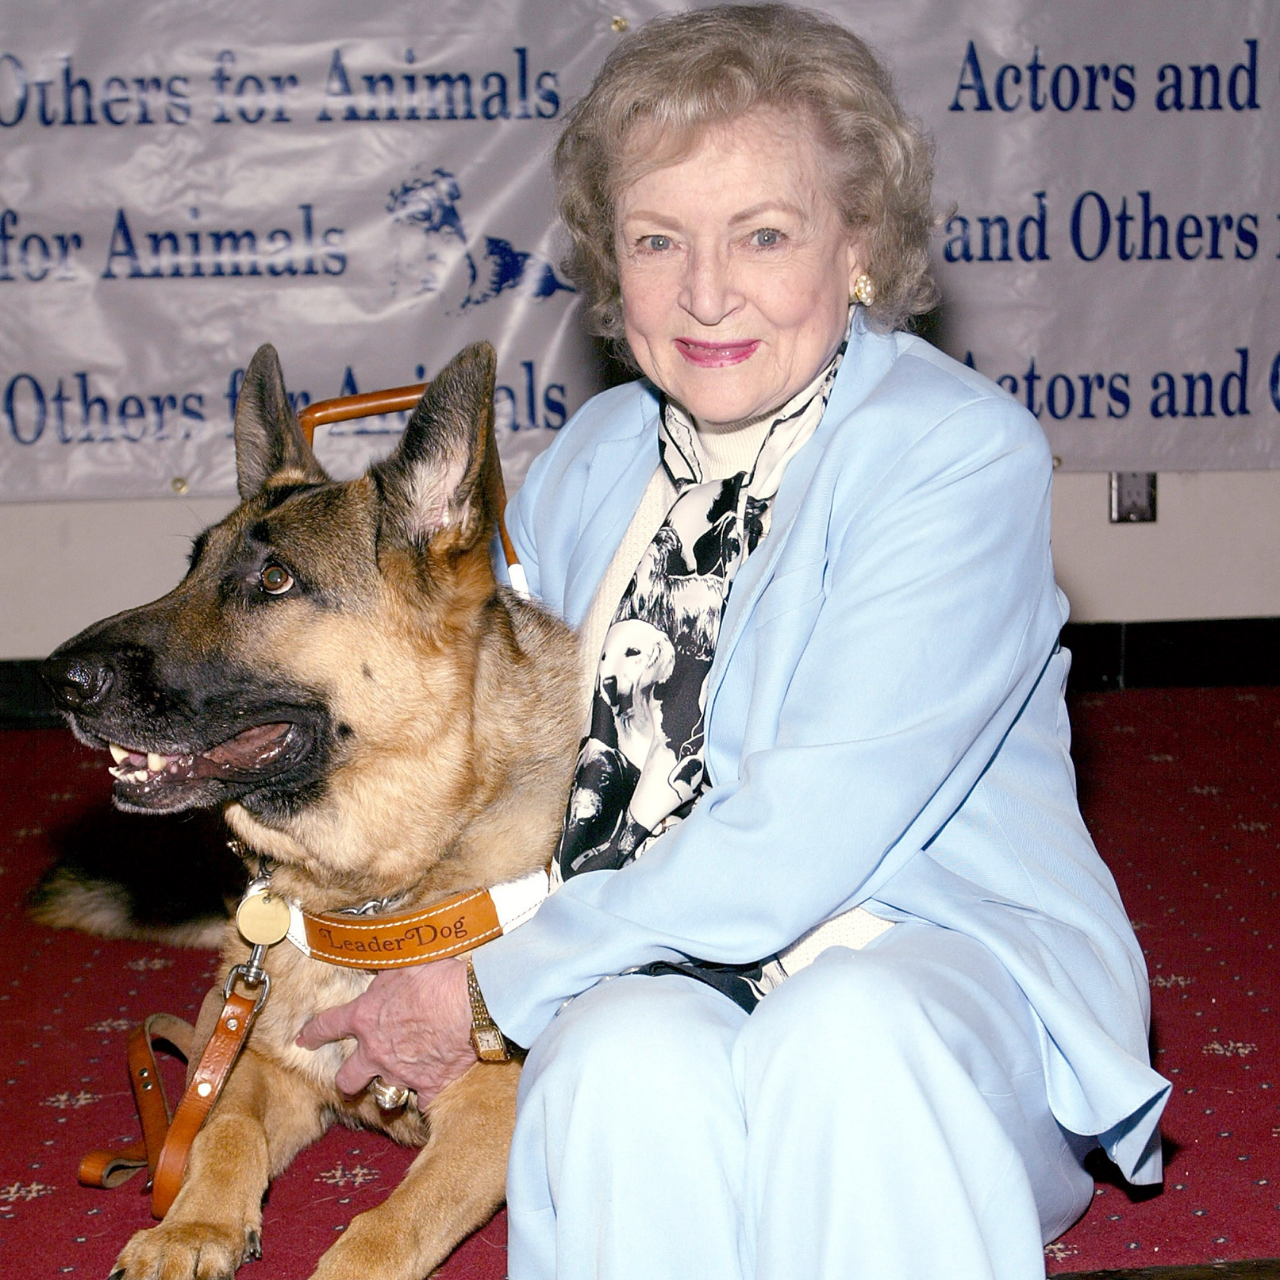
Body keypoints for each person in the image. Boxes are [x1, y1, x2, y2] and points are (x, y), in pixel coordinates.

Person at [299, 7, 1171, 1277]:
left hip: (924, 978)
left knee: (844, 1030)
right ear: (611, 262)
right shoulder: (591, 459)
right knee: (610, 1058)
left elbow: (800, 837)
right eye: (659, 240)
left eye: (763, 234)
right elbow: (473, 720)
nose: (705, 291)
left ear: (857, 246)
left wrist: (487, 989)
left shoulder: (955, 455)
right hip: (651, 972)